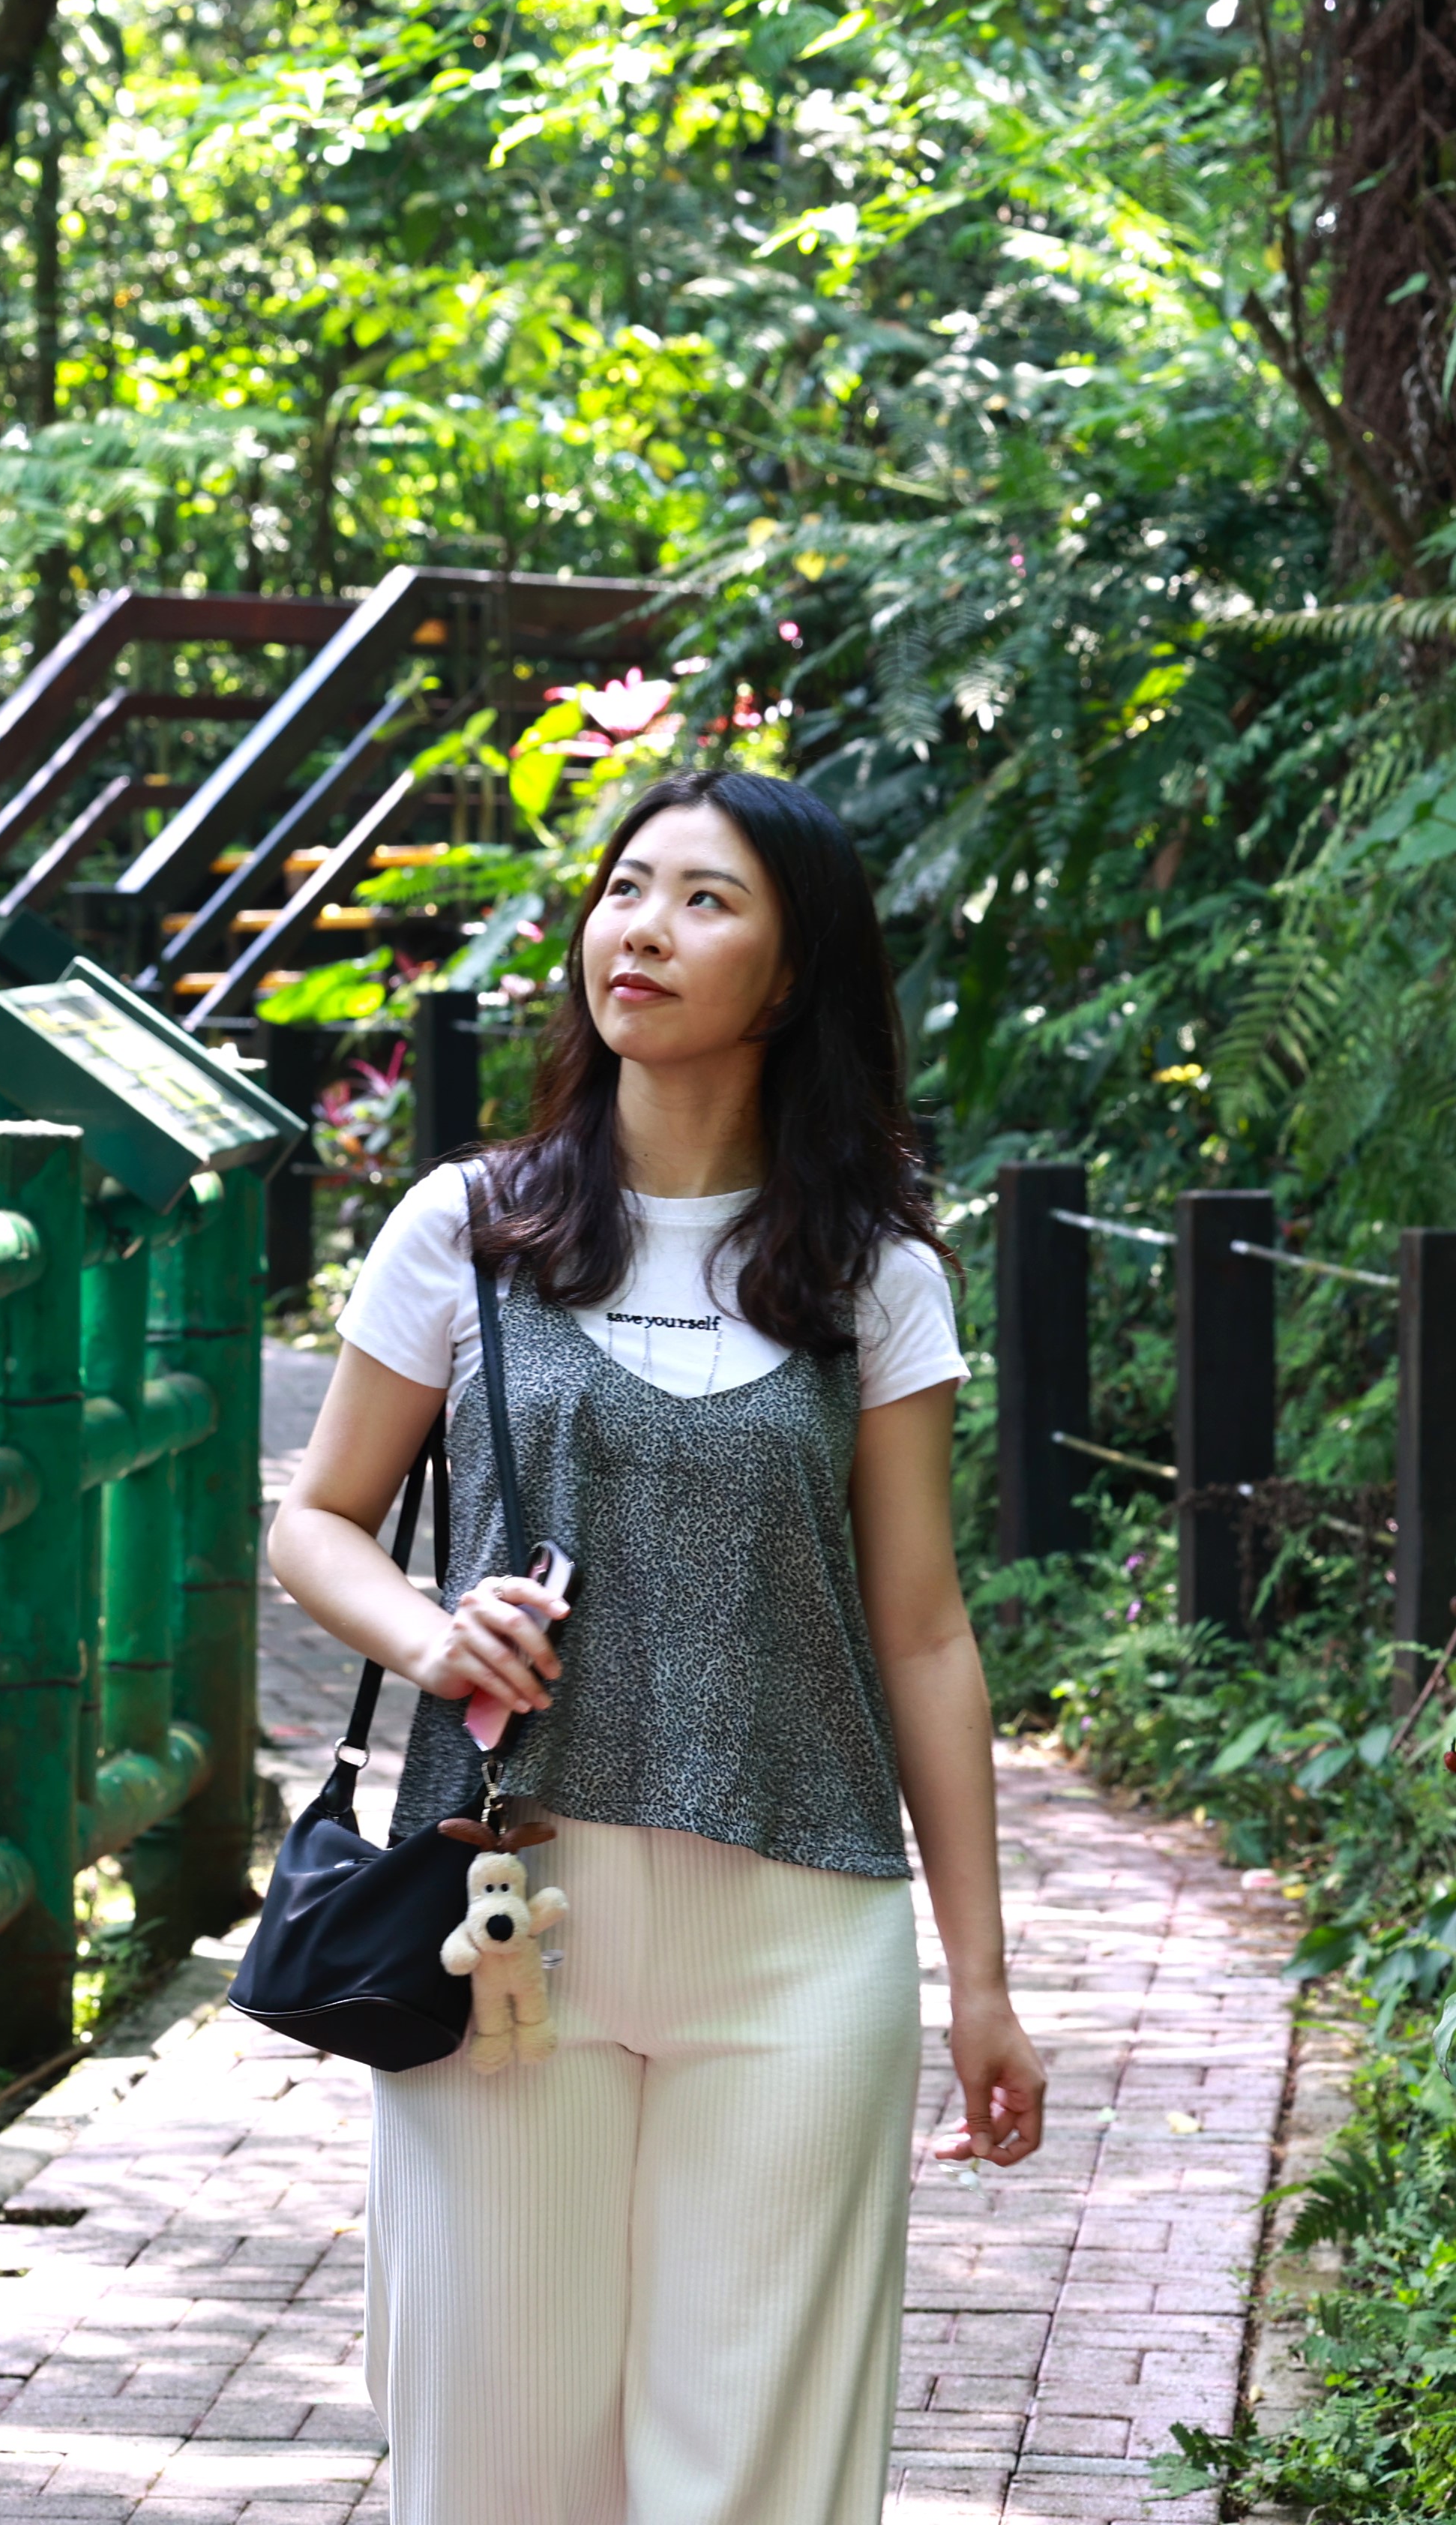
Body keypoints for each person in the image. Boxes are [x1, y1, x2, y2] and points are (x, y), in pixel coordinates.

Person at [266, 765, 1047, 2525]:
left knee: (758, 2478)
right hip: (505, 1924)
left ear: (793, 973)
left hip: (801, 1937)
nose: (644, 928)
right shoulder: (470, 1230)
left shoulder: (873, 1274)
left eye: (707, 900)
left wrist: (982, 1982)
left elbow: (922, 1636)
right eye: (627, 889)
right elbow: (313, 1521)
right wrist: (435, 1628)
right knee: (499, 2462)